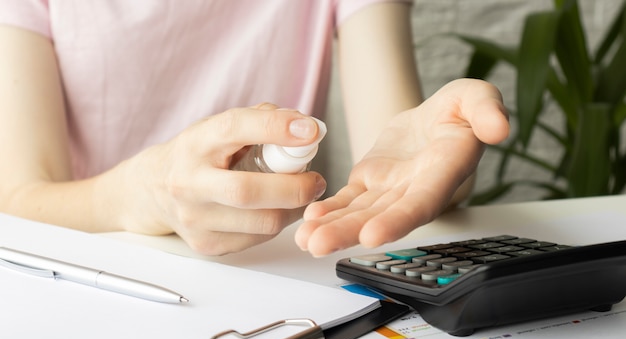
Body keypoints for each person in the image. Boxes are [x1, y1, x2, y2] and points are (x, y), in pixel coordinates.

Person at [0, 1, 509, 257]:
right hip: (93, 270)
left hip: (273, 276)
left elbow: (400, 165)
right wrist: (146, 193)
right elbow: (19, 195)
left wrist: (445, 154)